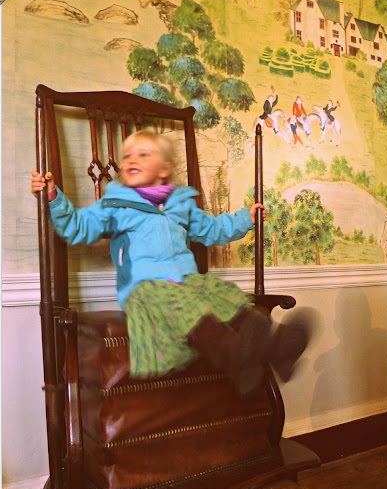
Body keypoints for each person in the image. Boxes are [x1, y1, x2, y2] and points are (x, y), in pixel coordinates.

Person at [31, 130, 281, 395]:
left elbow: (210, 228)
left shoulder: (179, 205)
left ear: (164, 169)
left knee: (219, 292)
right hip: (145, 288)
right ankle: (235, 357)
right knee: (182, 305)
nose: (131, 160)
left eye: (143, 154)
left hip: (185, 281)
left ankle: (271, 341)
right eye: (127, 156)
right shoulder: (116, 204)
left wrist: (245, 218)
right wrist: (53, 198)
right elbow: (79, 227)